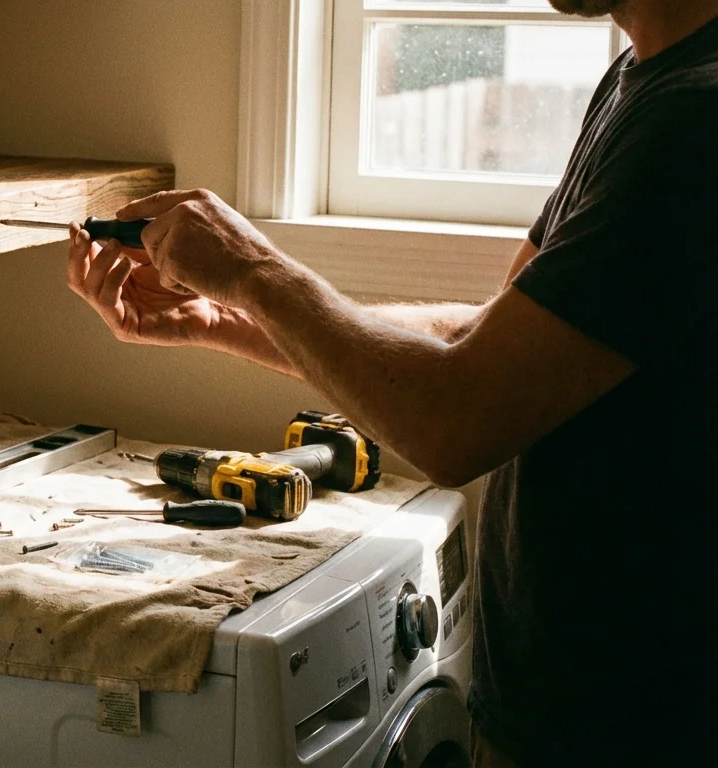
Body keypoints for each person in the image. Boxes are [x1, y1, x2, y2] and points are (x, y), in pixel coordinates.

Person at [65, 0, 718, 765]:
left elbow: (458, 421)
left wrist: (254, 271)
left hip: (643, 727)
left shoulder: (695, 119)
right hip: (554, 701)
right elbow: (487, 336)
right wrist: (222, 318)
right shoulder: (637, 82)